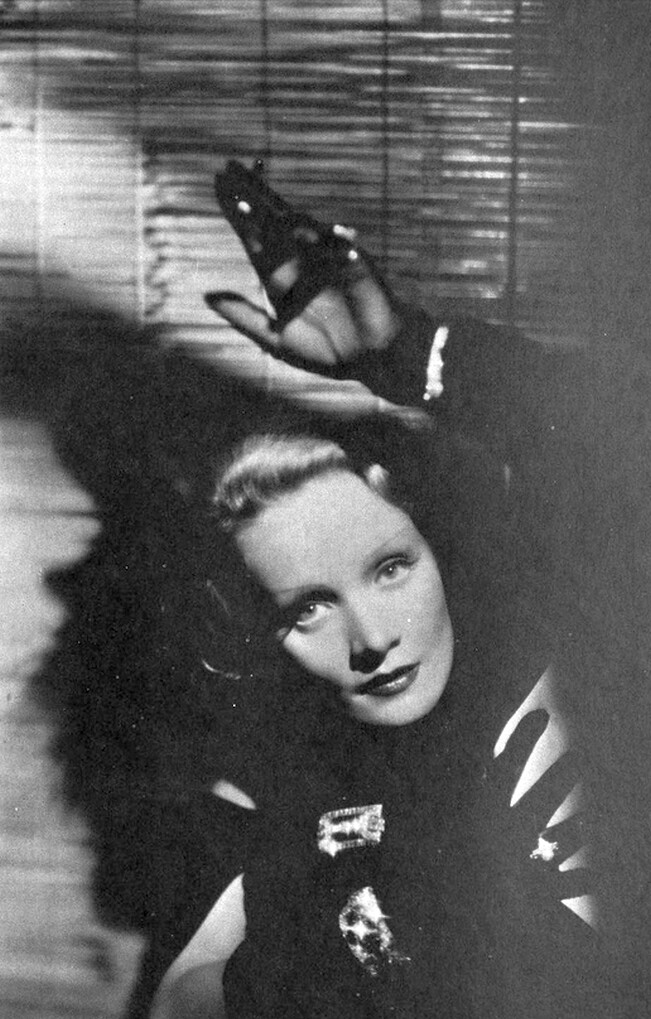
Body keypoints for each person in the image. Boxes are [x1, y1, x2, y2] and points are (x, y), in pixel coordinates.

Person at [138, 163, 643, 1018]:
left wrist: (413, 355)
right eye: (306, 608)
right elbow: (187, 992)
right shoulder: (316, 798)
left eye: (389, 567)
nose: (369, 639)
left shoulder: (590, 648)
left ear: (439, 543)